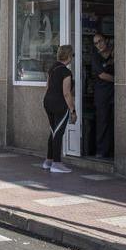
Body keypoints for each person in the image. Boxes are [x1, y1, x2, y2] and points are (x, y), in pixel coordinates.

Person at [42, 44, 76, 173]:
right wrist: (73, 111)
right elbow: (66, 93)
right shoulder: (66, 72)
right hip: (59, 105)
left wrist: (46, 101)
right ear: (68, 56)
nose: (72, 58)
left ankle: (48, 161)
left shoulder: (53, 68)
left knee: (53, 131)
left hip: (48, 103)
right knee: (58, 133)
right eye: (72, 55)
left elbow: (47, 87)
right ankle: (57, 163)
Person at [92, 33, 115, 158]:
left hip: (113, 94)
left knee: (112, 122)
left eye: (100, 41)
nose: (99, 44)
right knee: (102, 122)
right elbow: (102, 75)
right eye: (96, 43)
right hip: (102, 95)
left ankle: (110, 150)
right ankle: (101, 151)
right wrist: (118, 81)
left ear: (106, 40)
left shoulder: (112, 54)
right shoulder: (95, 57)